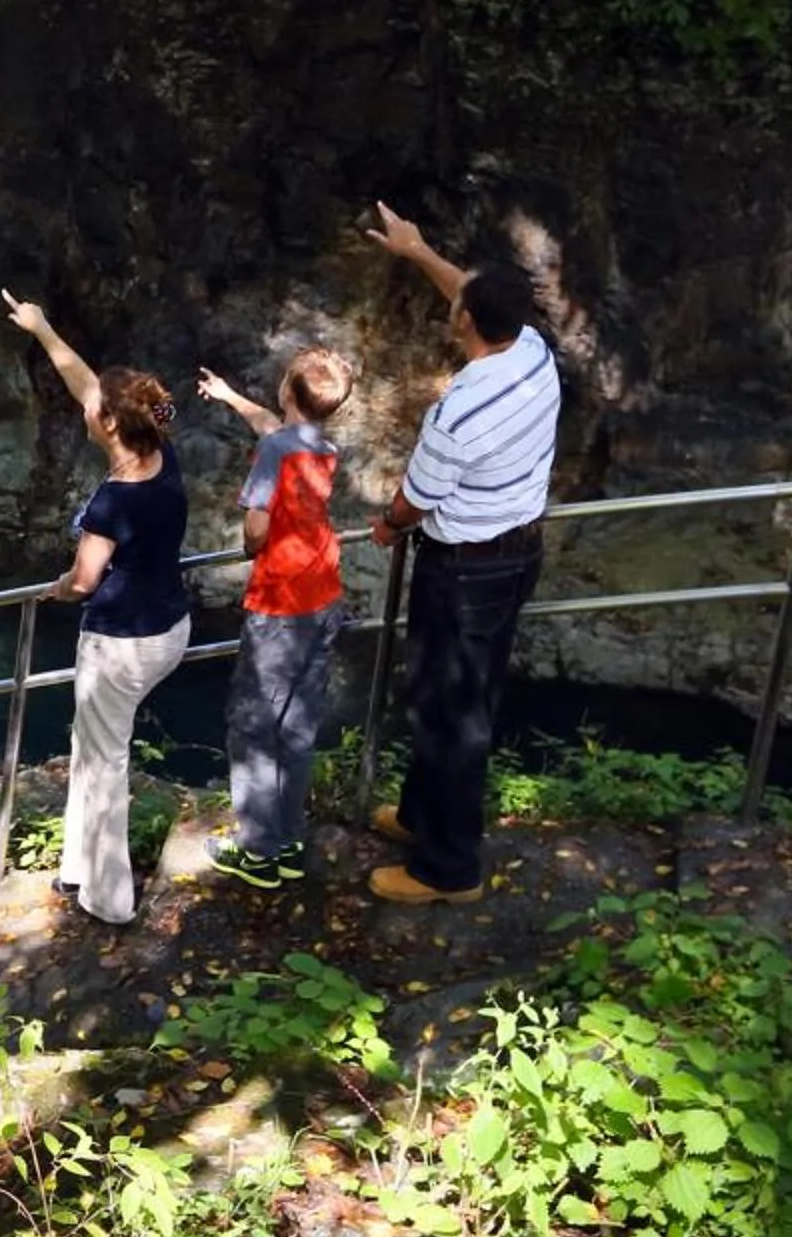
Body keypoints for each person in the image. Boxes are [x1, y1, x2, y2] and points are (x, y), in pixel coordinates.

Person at [363, 201, 563, 905]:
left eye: (460, 305)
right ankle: (422, 818)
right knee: (455, 698)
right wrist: (416, 250)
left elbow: (414, 499)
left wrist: (386, 527)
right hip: (515, 555)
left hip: (466, 570)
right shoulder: (534, 353)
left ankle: (447, 870)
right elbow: (469, 292)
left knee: (452, 714)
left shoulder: (460, 409)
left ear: (467, 324)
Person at [2, 290, 191, 925]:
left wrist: (53, 588)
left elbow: (83, 581)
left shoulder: (115, 499)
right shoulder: (161, 453)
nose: (85, 407)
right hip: (169, 627)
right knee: (92, 745)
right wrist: (42, 327)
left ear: (109, 423)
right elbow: (88, 384)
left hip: (120, 644)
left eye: (94, 409)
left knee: (106, 761)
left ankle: (110, 900)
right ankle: (76, 868)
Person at [196, 345, 357, 889]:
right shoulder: (321, 445)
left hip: (281, 602)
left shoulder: (275, 453)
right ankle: (287, 841)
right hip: (323, 596)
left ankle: (258, 853)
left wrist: (248, 548)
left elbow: (258, 525)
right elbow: (276, 429)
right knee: (296, 728)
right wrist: (228, 397)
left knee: (253, 725)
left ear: (287, 389)